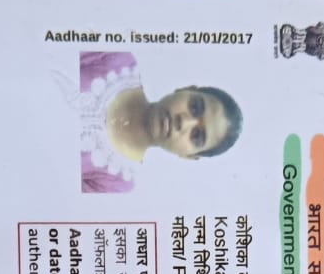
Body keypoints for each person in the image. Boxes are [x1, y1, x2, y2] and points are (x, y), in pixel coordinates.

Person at [79, 50, 243, 193]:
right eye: (194, 107)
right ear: (185, 89)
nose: (184, 122)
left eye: (197, 136)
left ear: (188, 156)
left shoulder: (116, 183)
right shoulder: (117, 61)